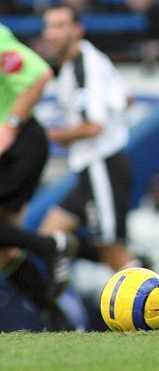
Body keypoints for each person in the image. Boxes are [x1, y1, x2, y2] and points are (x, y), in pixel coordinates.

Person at [39, 5, 142, 274]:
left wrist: (51, 135)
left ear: (77, 30)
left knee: (112, 250)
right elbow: (126, 99)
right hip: (90, 168)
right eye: (48, 26)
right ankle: (140, 263)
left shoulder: (85, 67)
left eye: (60, 25)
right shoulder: (86, 62)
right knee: (50, 233)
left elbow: (94, 127)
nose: (51, 33)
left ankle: (153, 303)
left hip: (102, 164)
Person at [0, 23, 75, 328]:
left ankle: (50, 246)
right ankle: (57, 319)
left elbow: (40, 73)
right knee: (5, 249)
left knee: (8, 241)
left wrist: (11, 124)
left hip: (20, 145)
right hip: (13, 149)